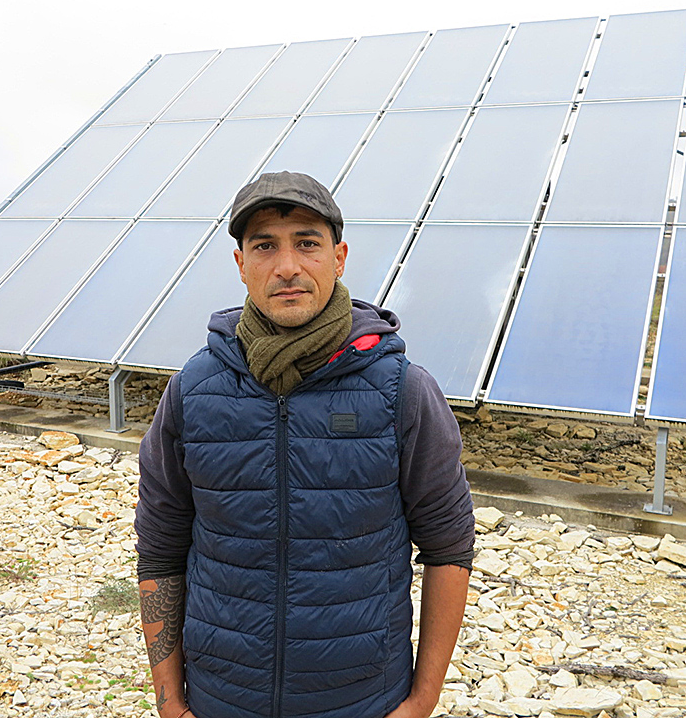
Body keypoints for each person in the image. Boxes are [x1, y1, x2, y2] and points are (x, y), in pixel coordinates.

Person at [135, 171, 474, 718]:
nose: (287, 267)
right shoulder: (193, 392)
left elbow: (449, 547)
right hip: (220, 699)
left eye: (307, 244)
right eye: (264, 246)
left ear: (339, 258)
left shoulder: (403, 391)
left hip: (363, 701)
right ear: (241, 264)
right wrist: (170, 700)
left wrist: (422, 701)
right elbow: (160, 549)